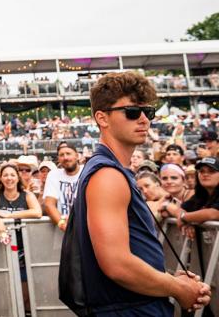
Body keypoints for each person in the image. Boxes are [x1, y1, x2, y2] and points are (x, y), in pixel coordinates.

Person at [67, 71, 210, 314]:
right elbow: (117, 265)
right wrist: (178, 288)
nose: (144, 119)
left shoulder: (113, 171)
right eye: (132, 112)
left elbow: (130, 254)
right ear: (102, 118)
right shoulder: (107, 175)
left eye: (148, 112)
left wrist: (170, 280)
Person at [0, 163, 41, 314]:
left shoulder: (26, 195)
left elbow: (37, 212)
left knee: (25, 289)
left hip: (23, 249)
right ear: (1, 178)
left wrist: (9, 215)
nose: (9, 178)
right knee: (5, 286)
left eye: (12, 175)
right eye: (5, 175)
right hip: (1, 248)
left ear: (18, 178)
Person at [43, 142, 82, 232]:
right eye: (61, 155)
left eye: (68, 154)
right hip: (64, 230)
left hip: (86, 227)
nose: (65, 158)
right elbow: (49, 204)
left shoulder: (87, 170)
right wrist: (62, 224)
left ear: (76, 156)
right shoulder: (54, 174)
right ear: (58, 159)